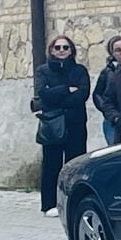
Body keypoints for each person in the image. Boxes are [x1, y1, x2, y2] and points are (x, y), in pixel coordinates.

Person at [34, 34, 89, 218]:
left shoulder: (79, 70)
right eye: (57, 47)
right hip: (53, 123)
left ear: (71, 50)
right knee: (51, 164)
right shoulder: (43, 71)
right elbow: (43, 94)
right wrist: (66, 89)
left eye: (65, 47)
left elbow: (82, 94)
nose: (62, 51)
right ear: (51, 50)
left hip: (75, 122)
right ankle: (49, 203)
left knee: (75, 164)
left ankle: (74, 202)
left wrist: (56, 95)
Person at [91, 36, 121, 146]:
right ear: (112, 53)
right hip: (114, 121)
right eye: (118, 50)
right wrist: (112, 115)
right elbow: (98, 94)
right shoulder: (108, 72)